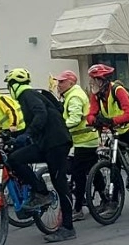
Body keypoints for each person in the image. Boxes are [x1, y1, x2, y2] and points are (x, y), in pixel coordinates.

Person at [2, 68, 76, 242]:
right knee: (15, 158)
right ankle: (41, 192)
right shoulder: (28, 96)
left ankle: (68, 227)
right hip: (45, 143)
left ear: (13, 85)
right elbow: (34, 120)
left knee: (60, 184)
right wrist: (12, 136)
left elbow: (41, 114)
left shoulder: (27, 95)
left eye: (9, 85)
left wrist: (28, 135)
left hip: (57, 143)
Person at [86, 63, 129, 218]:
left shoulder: (118, 90)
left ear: (103, 80)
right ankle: (113, 202)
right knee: (113, 167)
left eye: (95, 80)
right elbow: (91, 113)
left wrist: (112, 120)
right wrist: (94, 120)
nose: (92, 83)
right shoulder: (96, 95)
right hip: (115, 131)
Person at [53, 69, 98, 223]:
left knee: (78, 174)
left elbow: (75, 118)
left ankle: (78, 208)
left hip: (84, 140)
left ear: (71, 82)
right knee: (90, 168)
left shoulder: (74, 97)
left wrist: (59, 129)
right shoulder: (70, 95)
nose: (58, 84)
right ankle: (104, 197)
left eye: (61, 81)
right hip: (81, 140)